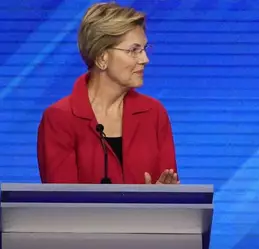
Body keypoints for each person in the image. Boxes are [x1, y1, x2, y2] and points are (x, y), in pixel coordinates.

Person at [37, 2, 179, 185]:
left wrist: (164, 198)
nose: (145, 59)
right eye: (133, 50)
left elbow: (171, 192)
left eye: (144, 49)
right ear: (102, 58)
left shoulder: (154, 113)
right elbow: (62, 204)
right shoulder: (59, 119)